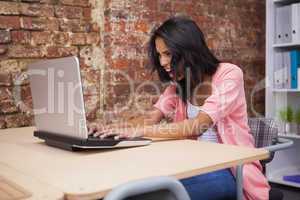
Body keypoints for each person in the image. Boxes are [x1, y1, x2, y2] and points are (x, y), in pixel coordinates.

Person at [89, 16, 270, 200]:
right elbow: (150, 118)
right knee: (134, 184)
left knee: (157, 194)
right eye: (159, 55)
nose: (162, 62)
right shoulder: (179, 85)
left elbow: (198, 125)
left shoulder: (230, 74)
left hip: (232, 171)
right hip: (190, 165)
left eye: (167, 54)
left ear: (188, 50)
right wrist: (112, 128)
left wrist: (138, 130)